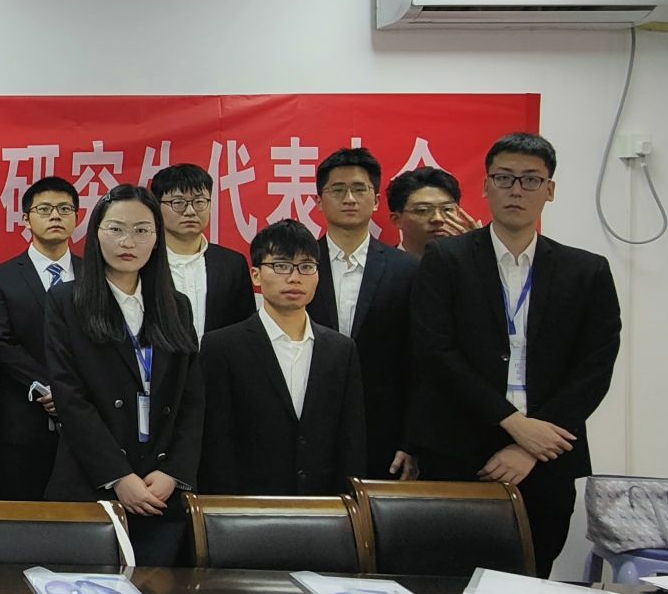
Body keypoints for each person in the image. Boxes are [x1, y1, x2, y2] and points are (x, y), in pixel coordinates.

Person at [410, 133, 621, 577]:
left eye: (531, 179)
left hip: (547, 454)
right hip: (459, 450)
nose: (516, 190)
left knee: (531, 580)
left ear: (550, 190)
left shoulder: (586, 271)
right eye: (504, 178)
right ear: (485, 186)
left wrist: (532, 445)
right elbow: (435, 352)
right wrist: (512, 422)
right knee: (447, 582)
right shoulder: (446, 260)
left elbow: (596, 365)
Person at [42, 184, 203, 566]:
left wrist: (173, 472)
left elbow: (192, 399)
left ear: (157, 238)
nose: (128, 242)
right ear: (96, 234)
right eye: (116, 229)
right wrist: (118, 476)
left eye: (142, 230)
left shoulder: (176, 306)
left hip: (160, 490)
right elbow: (70, 398)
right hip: (91, 483)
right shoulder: (67, 302)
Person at [200, 220, 365, 496]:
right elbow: (216, 442)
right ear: (255, 275)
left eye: (306, 267)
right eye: (281, 266)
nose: (294, 278)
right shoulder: (222, 346)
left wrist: (347, 505)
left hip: (324, 506)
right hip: (247, 505)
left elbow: (351, 441)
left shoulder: (341, 350)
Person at [306, 148, 421, 481]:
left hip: (384, 434)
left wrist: (411, 440)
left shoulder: (408, 270)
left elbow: (419, 361)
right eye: (337, 190)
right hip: (308, 427)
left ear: (376, 200)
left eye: (360, 189)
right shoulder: (298, 266)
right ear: (319, 201)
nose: (349, 198)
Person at [0, 176, 79, 501]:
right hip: (22, 420)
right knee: (21, 514)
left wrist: (71, 393)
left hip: (86, 419)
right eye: (45, 209)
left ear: (76, 217)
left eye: (64, 209)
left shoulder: (95, 277)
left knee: (83, 516)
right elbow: (0, 342)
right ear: (26, 219)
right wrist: (48, 388)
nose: (55, 216)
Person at [148, 164, 254, 339]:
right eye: (178, 203)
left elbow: (244, 327)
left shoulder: (232, 264)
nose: (190, 211)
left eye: (199, 202)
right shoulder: (144, 261)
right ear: (156, 206)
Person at [387, 166, 477, 258]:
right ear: (397, 219)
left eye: (447, 209)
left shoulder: (472, 261)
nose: (438, 218)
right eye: (423, 210)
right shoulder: (383, 265)